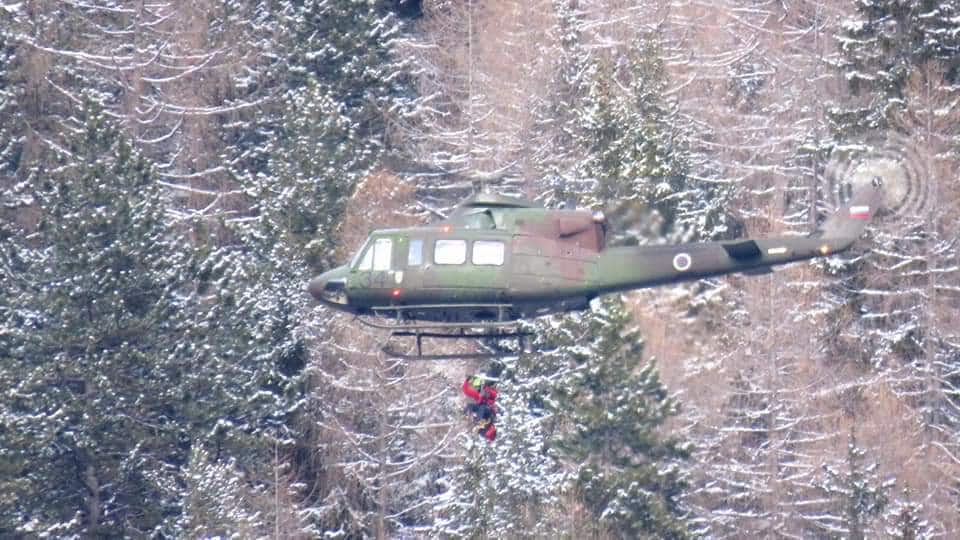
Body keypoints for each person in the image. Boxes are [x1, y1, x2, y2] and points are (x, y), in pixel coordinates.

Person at [462, 374, 497, 441]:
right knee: (474, 406)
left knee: (480, 407)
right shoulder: (480, 397)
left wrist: (488, 392)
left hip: (487, 411)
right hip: (488, 414)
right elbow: (467, 391)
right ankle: (470, 415)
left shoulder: (482, 396)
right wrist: (467, 381)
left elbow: (495, 395)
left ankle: (477, 420)